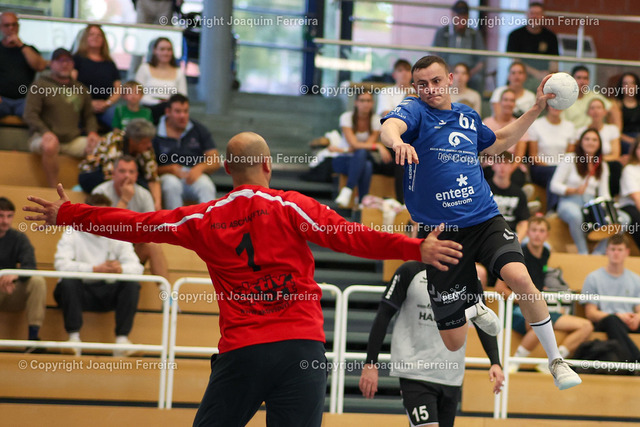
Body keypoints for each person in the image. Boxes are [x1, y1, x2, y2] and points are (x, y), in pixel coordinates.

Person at [24, 131, 464, 427]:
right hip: (300, 350)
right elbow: (352, 236)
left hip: (242, 352)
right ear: (267, 165)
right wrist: (415, 248)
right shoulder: (293, 206)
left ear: (226, 169)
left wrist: (71, 213)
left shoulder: (202, 217)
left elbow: (138, 224)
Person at [380, 54, 581, 390]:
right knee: (454, 341)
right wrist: (398, 142)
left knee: (520, 277)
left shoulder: (467, 116)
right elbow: (390, 127)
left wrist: (535, 110)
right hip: (441, 234)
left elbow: (499, 142)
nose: (430, 89)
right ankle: (473, 303)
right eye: (422, 84)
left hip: (484, 218)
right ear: (414, 87)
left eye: (436, 81)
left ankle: (556, 361)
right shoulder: (414, 111)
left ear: (450, 81)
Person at [359, 261, 504, 427]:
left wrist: (495, 362)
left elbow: (482, 319)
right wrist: (370, 363)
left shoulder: (468, 276)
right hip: (415, 372)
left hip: (451, 376)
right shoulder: (410, 271)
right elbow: (383, 315)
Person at [495, 217, 593, 373]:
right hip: (516, 311)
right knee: (538, 322)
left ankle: (556, 362)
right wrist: (525, 299)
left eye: (541, 231)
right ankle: (515, 361)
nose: (537, 234)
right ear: (528, 233)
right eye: (534, 230)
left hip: (539, 308)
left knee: (586, 326)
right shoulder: (518, 254)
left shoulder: (546, 254)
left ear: (547, 235)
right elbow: (500, 289)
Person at [53, 193, 143, 357]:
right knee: (68, 281)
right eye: (97, 214)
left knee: (131, 284)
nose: (102, 219)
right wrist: (93, 269)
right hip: (80, 292)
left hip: (107, 292)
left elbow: (137, 268)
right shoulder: (72, 232)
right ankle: (73, 339)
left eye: (105, 214)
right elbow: (61, 264)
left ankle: (122, 341)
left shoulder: (117, 233)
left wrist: (121, 269)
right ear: (87, 214)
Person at [23, 48, 100, 188]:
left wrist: (92, 132)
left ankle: (89, 188)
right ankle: (54, 189)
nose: (64, 64)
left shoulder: (81, 88)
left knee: (100, 146)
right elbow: (30, 114)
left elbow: (89, 116)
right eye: (60, 61)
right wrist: (45, 132)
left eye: (68, 61)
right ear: (51, 64)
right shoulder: (39, 85)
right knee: (50, 145)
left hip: (71, 139)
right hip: (42, 137)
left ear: (73, 65)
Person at [92, 155, 169, 280]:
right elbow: (102, 229)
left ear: (136, 175)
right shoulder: (100, 193)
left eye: (131, 172)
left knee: (153, 245)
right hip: (101, 251)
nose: (127, 176)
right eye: (122, 171)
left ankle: (167, 290)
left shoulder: (144, 195)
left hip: (131, 250)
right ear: (113, 174)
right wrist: (124, 200)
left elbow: (151, 230)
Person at [550, 128, 611, 255]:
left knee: (623, 219)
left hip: (591, 205)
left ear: (599, 144)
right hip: (569, 201)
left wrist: (610, 208)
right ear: (581, 142)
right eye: (587, 139)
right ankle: (583, 252)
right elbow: (554, 185)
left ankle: (598, 253)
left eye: (594, 140)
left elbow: (604, 193)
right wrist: (573, 190)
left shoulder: (602, 165)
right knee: (576, 215)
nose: (590, 142)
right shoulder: (570, 158)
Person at [153, 94, 219, 209]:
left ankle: (209, 219)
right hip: (167, 175)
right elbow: (148, 169)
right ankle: (176, 221)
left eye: (185, 111)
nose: (182, 116)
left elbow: (215, 160)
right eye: (178, 111)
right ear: (168, 112)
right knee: (171, 185)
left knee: (206, 185)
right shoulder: (155, 132)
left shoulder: (198, 129)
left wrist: (200, 168)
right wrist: (169, 169)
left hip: (192, 174)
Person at [78, 118, 161, 209]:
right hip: (95, 173)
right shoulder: (115, 140)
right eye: (145, 142)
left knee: (143, 188)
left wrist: (157, 203)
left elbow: (153, 177)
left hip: (117, 174)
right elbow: (112, 173)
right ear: (132, 141)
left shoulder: (147, 148)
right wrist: (125, 198)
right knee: (122, 179)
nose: (149, 145)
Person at [582, 234, 640, 362]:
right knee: (612, 320)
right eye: (613, 249)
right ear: (607, 251)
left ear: (627, 252)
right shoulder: (593, 278)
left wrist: (637, 317)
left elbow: (638, 309)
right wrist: (617, 316)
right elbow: (590, 313)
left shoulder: (636, 279)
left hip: (628, 322)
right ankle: (636, 359)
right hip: (606, 321)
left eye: (620, 250)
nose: (616, 253)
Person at [0, 197, 46, 352]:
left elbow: (30, 265)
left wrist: (15, 276)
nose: (5, 221)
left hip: (11, 290)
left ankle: (33, 339)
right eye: (1, 216)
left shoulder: (18, 238)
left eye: (9, 216)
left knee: (38, 281)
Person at [333, 91, 388, 208]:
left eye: (368, 101)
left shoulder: (376, 120)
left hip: (361, 157)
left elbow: (365, 145)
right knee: (366, 164)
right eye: (362, 100)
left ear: (372, 103)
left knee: (364, 157)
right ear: (356, 102)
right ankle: (362, 201)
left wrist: (362, 146)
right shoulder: (346, 117)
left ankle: (348, 191)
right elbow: (354, 144)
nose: (365, 104)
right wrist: (378, 146)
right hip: (343, 158)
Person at [72, 24, 121, 129]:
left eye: (99, 35)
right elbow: (71, 85)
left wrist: (108, 103)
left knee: (120, 122)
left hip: (106, 106)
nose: (95, 37)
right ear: (85, 38)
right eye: (92, 34)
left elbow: (118, 89)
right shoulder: (77, 59)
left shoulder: (109, 63)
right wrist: (89, 103)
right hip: (82, 104)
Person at [528, 105, 575, 212]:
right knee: (554, 172)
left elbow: (569, 154)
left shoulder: (570, 126)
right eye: (553, 104)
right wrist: (556, 168)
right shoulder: (536, 125)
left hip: (562, 168)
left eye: (559, 104)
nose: (556, 106)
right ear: (547, 106)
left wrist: (561, 169)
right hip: (541, 168)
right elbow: (533, 156)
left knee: (561, 173)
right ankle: (553, 209)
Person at [0, 12, 47, 118]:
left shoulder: (29, 49)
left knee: (38, 113)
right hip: (2, 99)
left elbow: (40, 67)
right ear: (0, 27)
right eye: (7, 25)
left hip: (24, 100)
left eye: (14, 25)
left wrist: (21, 45)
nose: (11, 28)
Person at [432, 1, 485, 91]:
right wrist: (444, 69)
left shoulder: (474, 34)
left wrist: (469, 73)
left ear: (468, 17)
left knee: (477, 79)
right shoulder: (442, 32)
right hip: (446, 70)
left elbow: (482, 60)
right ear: (452, 14)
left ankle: (476, 100)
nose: (461, 19)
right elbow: (434, 54)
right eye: (458, 15)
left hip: (468, 72)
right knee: (434, 77)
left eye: (464, 16)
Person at [574, 98, 622, 196]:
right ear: (588, 112)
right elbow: (577, 152)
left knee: (615, 165)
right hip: (584, 162)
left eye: (599, 108)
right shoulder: (580, 131)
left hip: (605, 163)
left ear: (605, 112)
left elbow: (615, 155)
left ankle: (611, 196)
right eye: (592, 108)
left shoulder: (612, 129)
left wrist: (595, 159)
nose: (595, 111)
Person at [482, 88, 528, 187]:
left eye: (512, 100)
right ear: (500, 103)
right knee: (488, 175)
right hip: (491, 164)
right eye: (506, 100)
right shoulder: (487, 122)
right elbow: (484, 151)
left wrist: (508, 170)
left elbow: (519, 156)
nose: (508, 103)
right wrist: (499, 168)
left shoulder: (520, 125)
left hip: (511, 165)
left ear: (515, 104)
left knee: (518, 177)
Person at [135, 37, 187, 124]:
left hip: (169, 111)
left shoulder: (179, 72)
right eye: (162, 49)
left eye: (169, 50)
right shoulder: (144, 68)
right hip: (147, 107)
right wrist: (157, 102)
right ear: (155, 51)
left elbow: (182, 97)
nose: (166, 53)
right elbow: (136, 93)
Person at [506, 2, 558, 84]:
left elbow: (554, 63)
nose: (534, 17)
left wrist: (549, 75)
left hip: (543, 79)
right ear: (526, 15)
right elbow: (515, 61)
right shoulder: (515, 35)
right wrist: (536, 74)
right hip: (521, 78)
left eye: (538, 14)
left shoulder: (551, 36)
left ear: (543, 16)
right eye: (532, 13)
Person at [488, 154, 529, 241]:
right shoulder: (484, 190)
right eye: (499, 162)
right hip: (490, 232)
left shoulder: (519, 193)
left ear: (512, 167)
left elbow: (524, 222)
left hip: (512, 234)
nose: (502, 166)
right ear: (493, 165)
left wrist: (518, 241)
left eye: (506, 163)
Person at [561, 65, 616, 130]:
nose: (582, 82)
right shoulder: (564, 99)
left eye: (585, 78)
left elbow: (614, 109)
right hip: (571, 134)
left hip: (593, 134)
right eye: (578, 78)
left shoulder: (594, 95)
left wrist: (618, 131)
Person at [619, 138, 640, 252]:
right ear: (635, 150)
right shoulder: (630, 169)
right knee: (637, 221)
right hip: (630, 205)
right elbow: (637, 198)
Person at [614, 72, 640, 156]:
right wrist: (633, 142)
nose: (629, 86)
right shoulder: (616, 105)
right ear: (621, 86)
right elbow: (616, 131)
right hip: (624, 139)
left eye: (632, 83)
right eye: (625, 83)